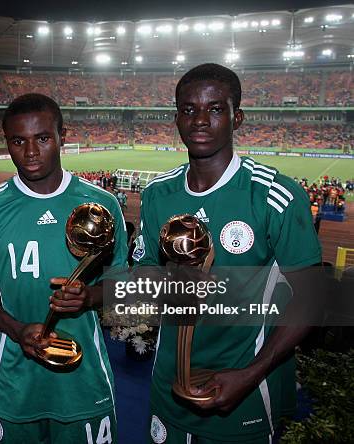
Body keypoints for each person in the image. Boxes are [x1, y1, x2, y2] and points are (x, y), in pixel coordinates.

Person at [133, 63, 322, 443]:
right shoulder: (157, 195)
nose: (200, 120)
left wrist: (253, 372)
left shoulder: (273, 195)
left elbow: (312, 300)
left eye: (215, 108)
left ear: (237, 118)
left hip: (246, 390)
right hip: (168, 388)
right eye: (189, 110)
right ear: (176, 119)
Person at [0, 93, 128, 443]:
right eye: (18, 141)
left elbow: (123, 282)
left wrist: (90, 297)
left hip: (85, 384)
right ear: (7, 142)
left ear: (63, 137)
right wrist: (17, 329)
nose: (31, 152)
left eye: (43, 138)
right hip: (16, 385)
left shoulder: (102, 205)